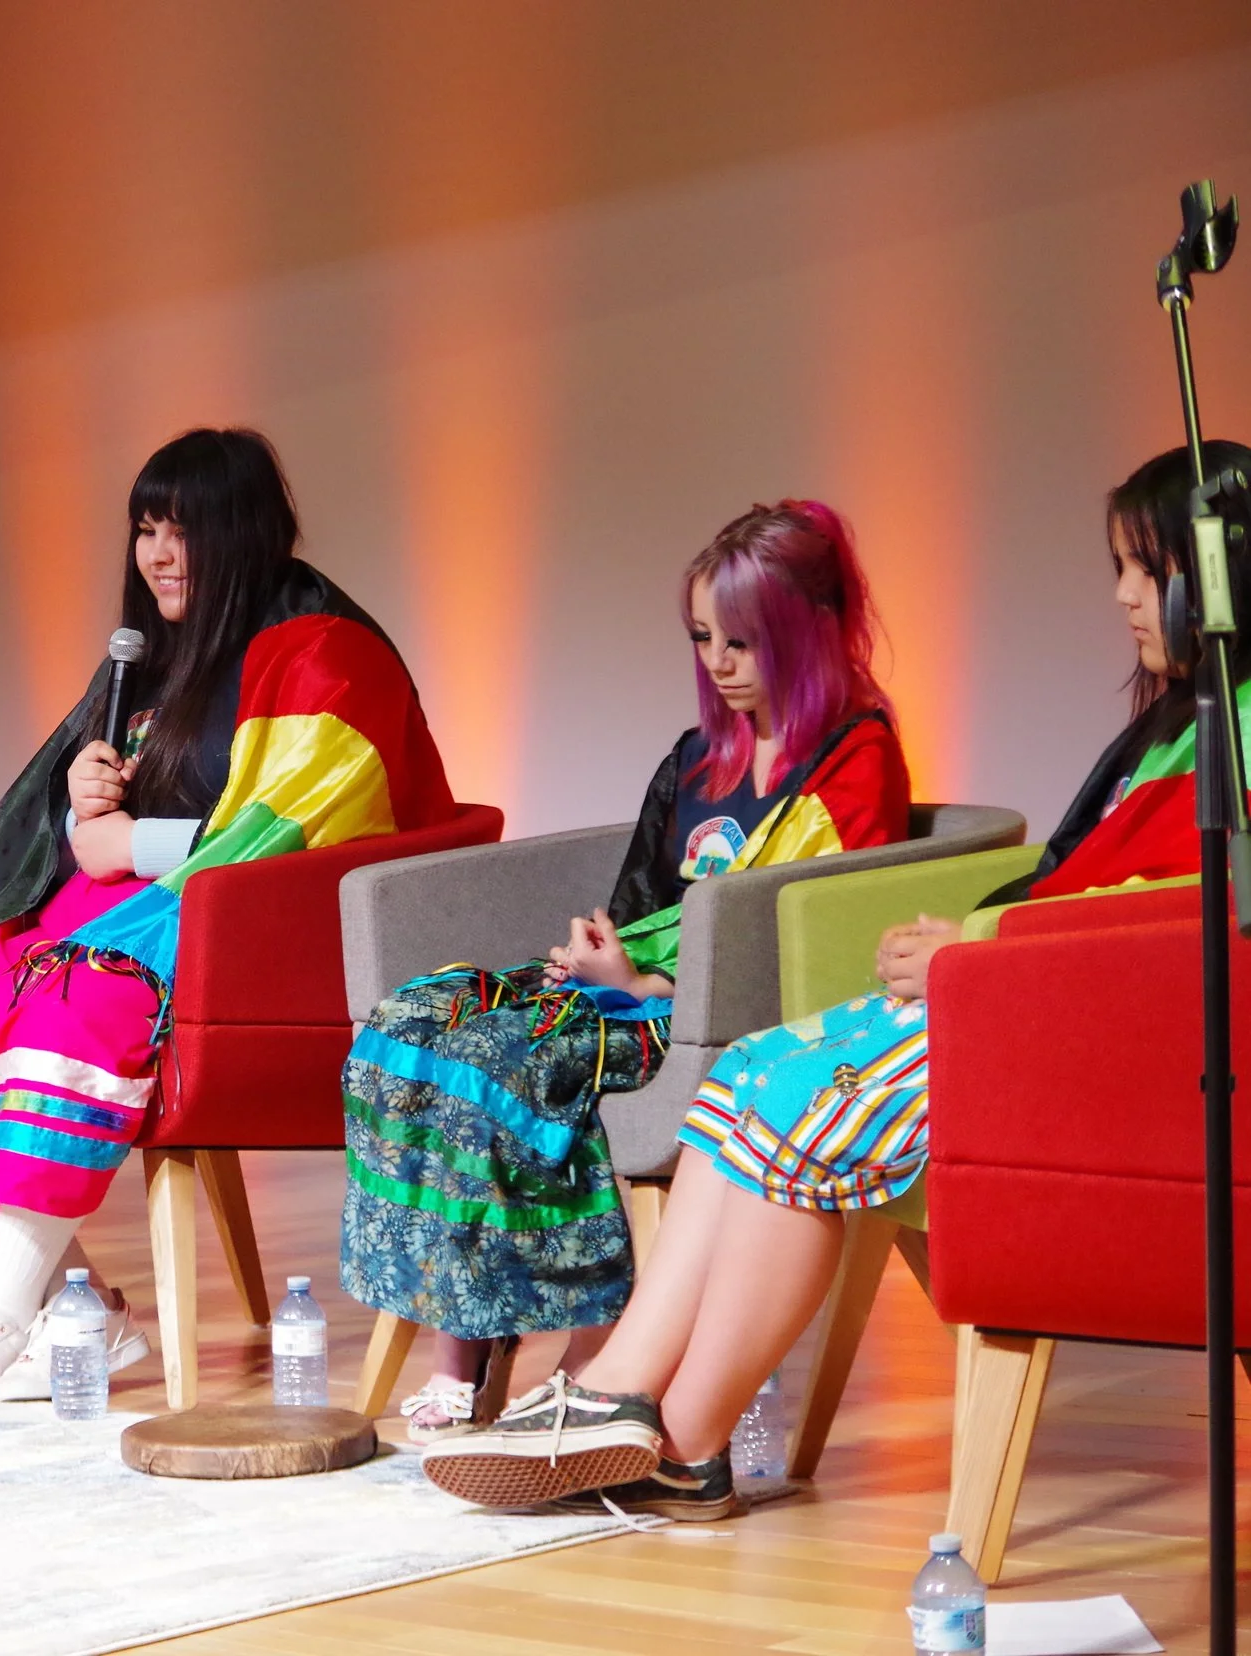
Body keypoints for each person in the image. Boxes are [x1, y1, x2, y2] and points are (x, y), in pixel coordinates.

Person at [418, 441, 1245, 1522]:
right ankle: (630, 1402)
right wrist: (975, 936)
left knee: (797, 1113)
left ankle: (669, 1428)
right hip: (1024, 989)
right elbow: (1088, 879)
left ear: (1215, 572)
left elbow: (1191, 906)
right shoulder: (1174, 721)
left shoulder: (1229, 726)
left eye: (1145, 568)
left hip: (1087, 1027)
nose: (1124, 596)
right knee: (751, 1071)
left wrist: (982, 946)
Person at [0, 427, 459, 1407]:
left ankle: (2, 1308)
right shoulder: (150, 662)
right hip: (132, 910)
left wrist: (133, 848)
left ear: (243, 534)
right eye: (145, 528)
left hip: (260, 946)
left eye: (182, 530)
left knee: (80, 994)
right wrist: (80, 804)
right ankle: (83, 1307)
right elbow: (89, 833)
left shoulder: (324, 652)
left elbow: (294, 843)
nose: (156, 555)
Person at [341, 501, 909, 1444]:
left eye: (744, 642)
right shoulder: (697, 759)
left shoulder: (854, 763)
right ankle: (465, 1338)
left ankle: (575, 1333)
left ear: (810, 631)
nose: (720, 664)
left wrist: (641, 986)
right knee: (405, 1026)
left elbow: (799, 947)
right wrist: (597, 955)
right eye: (703, 639)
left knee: (495, 1060)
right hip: (622, 990)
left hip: (699, 1022)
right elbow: (641, 899)